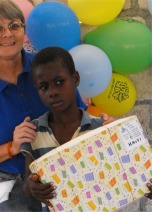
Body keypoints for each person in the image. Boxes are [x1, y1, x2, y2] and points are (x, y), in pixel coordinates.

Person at [0, 0, 114, 211]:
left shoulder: (47, 68)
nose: (7, 34)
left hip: (70, 175)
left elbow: (79, 116)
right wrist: (11, 148)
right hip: (15, 189)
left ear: (24, 30)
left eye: (14, 25)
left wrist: (102, 128)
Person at [21, 47, 152, 211]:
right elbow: (28, 183)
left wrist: (146, 184)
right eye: (44, 87)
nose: (52, 92)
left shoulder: (102, 129)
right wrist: (32, 188)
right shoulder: (33, 132)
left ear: (75, 78)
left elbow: (129, 173)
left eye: (59, 82)